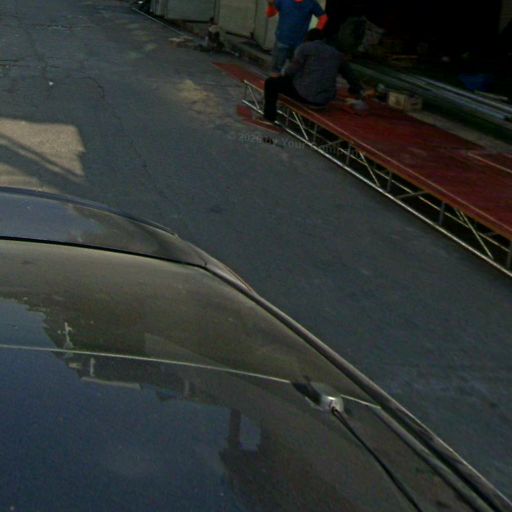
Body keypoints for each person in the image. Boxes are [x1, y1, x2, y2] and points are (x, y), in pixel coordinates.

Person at [262, 28, 364, 123]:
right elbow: (350, 76)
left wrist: (281, 77)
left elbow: (291, 71)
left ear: (308, 39)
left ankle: (269, 118)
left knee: (271, 83)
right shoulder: (337, 54)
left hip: (304, 95)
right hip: (324, 100)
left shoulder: (305, 47)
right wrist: (356, 89)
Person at [267, 0, 328, 74]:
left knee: (294, 72)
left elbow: (323, 17)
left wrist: (314, 35)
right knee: (276, 70)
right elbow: (270, 14)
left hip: (299, 44)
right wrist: (271, 5)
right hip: (283, 40)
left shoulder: (311, 3)